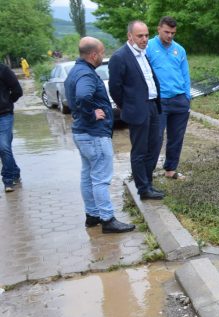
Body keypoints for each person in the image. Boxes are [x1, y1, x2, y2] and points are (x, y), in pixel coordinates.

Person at [65, 37, 135, 233]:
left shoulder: (75, 71)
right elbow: (82, 96)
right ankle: (107, 219)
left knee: (88, 176)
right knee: (100, 179)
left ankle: (92, 215)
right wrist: (91, 112)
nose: (103, 56)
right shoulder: (86, 75)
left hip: (81, 133)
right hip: (94, 134)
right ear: (93, 54)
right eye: (102, 52)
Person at [108, 20, 164, 200]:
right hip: (137, 110)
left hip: (153, 106)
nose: (144, 39)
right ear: (129, 36)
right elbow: (115, 88)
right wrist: (127, 106)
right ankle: (143, 188)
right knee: (140, 150)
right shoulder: (120, 57)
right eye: (140, 36)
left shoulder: (143, 54)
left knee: (154, 147)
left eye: (147, 35)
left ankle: (148, 183)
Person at [147, 16, 190, 180]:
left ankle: (171, 169)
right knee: (156, 137)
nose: (170, 36)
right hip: (159, 101)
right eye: (166, 32)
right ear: (158, 29)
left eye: (173, 33)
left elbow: (185, 74)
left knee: (176, 137)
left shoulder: (179, 49)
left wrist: (187, 97)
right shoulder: (149, 47)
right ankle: (147, 173)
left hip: (179, 99)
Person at [0, 61, 22, 193]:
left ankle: (8, 180)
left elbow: (17, 90)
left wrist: (7, 103)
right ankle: (14, 170)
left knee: (4, 147)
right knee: (3, 148)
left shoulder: (3, 70)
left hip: (4, 115)